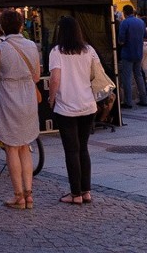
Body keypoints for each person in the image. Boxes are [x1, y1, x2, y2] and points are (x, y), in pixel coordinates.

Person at [0, 10, 40, 209]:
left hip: (8, 97)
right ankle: (29, 195)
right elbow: (36, 77)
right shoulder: (31, 46)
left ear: (2, 26)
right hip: (27, 97)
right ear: (20, 26)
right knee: (25, 146)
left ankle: (18, 195)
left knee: (11, 147)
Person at [48, 16, 98, 206]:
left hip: (66, 106)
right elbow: (96, 74)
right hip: (88, 104)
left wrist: (51, 99)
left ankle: (75, 193)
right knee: (83, 148)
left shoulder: (57, 52)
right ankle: (86, 191)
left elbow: (55, 79)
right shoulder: (88, 49)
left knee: (72, 150)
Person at [118, 5, 147, 108]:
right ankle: (143, 99)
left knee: (127, 77)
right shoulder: (141, 22)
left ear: (124, 12)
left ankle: (128, 101)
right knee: (139, 75)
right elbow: (146, 37)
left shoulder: (124, 23)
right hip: (138, 52)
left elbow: (121, 39)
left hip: (127, 53)